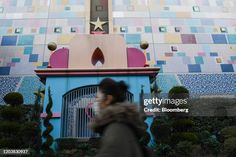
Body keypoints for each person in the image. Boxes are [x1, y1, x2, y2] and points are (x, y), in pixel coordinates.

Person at [90, 78, 146, 157]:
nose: (96, 103)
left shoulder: (115, 130)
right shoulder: (122, 123)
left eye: (97, 98)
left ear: (108, 99)